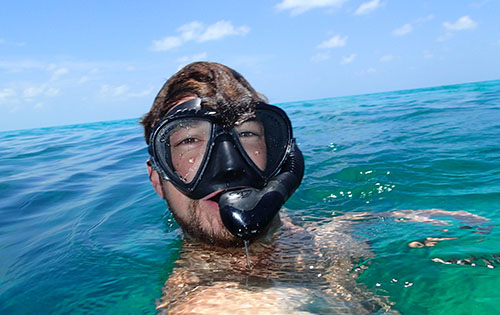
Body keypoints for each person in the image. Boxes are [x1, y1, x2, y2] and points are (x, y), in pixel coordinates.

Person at [141, 62, 489, 313]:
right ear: (158, 179)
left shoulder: (298, 232)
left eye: (247, 134)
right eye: (189, 140)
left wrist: (399, 218)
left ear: (282, 159)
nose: (229, 167)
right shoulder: (212, 300)